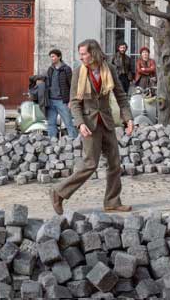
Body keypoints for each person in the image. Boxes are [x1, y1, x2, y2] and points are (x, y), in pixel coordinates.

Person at [50, 39, 134, 214]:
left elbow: (121, 95)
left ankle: (112, 201)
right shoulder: (78, 72)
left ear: (93, 53)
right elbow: (74, 102)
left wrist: (128, 118)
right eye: (80, 54)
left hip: (106, 121)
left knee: (115, 164)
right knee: (90, 164)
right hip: (88, 124)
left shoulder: (109, 69)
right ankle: (58, 192)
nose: (80, 57)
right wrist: (80, 123)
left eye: (83, 54)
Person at [45, 49, 78, 139]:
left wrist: (71, 100)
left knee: (68, 122)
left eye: (53, 56)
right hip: (51, 101)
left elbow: (72, 85)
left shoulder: (66, 69)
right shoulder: (50, 69)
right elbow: (48, 84)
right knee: (51, 123)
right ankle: (52, 142)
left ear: (59, 57)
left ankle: (74, 141)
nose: (52, 58)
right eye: (51, 57)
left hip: (62, 101)